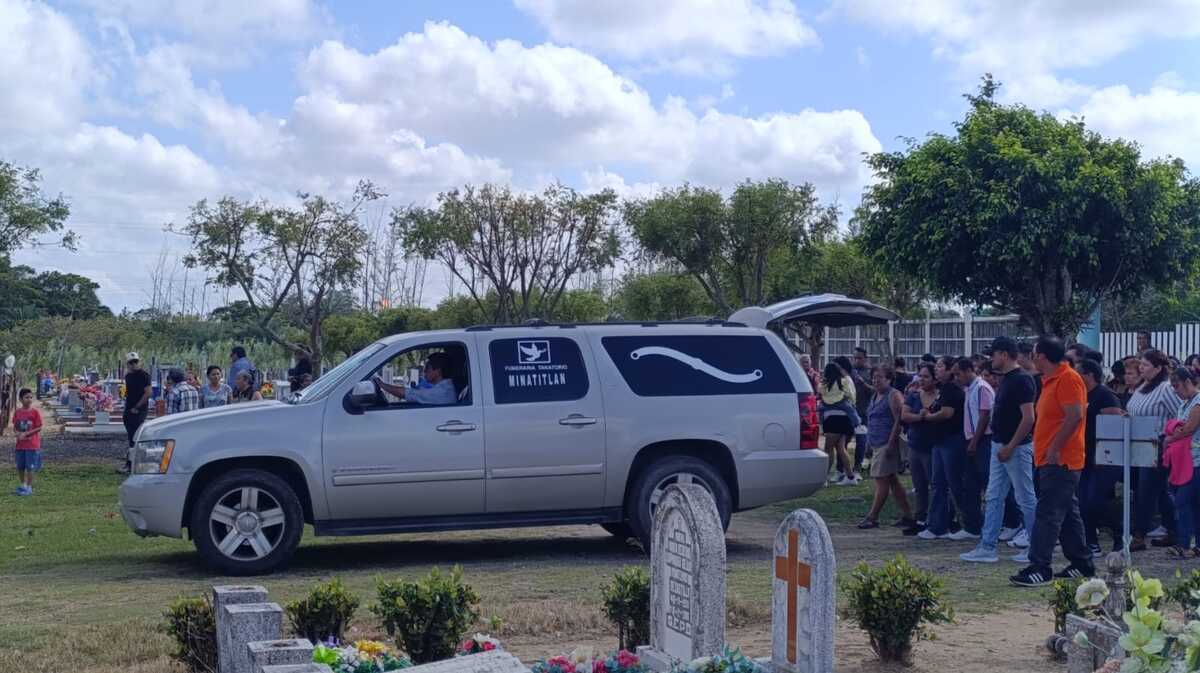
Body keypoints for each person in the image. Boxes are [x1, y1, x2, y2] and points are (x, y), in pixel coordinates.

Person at [1011, 336, 1094, 586]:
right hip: (1049, 457)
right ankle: (1082, 562)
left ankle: (1040, 566)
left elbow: (1075, 416)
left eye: (1034, 354)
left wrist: (1056, 447)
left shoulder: (1068, 378)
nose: (1032, 358)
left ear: (1043, 357)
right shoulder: (1049, 380)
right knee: (1068, 512)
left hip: (1061, 459)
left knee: (1048, 512)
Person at [962, 336, 1039, 564]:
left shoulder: (1022, 380)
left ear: (1004, 354)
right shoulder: (1006, 379)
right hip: (1000, 444)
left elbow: (1029, 418)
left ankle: (1036, 547)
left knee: (1026, 498)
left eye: (993, 354)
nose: (991, 359)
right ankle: (987, 546)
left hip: (1015, 447)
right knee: (994, 496)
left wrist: (1012, 446)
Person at [920, 356, 979, 541]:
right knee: (938, 484)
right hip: (939, 442)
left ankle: (972, 524)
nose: (936, 370)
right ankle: (938, 526)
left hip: (951, 441)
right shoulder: (942, 389)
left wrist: (927, 417)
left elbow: (947, 413)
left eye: (939, 366)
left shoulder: (952, 389)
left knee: (956, 484)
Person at [1128, 349, 1181, 552]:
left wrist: (1170, 435)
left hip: (1157, 443)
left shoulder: (1166, 388)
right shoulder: (1143, 386)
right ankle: (1175, 529)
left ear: (1158, 368)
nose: (1141, 368)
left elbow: (1180, 412)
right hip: (1140, 443)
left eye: (1145, 365)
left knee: (1146, 490)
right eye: (1140, 364)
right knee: (1158, 491)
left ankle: (1139, 535)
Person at [1076, 358, 1125, 556]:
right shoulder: (1081, 394)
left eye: (1079, 372)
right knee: (1082, 501)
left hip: (1104, 458)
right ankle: (1091, 543)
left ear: (1089, 375)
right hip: (1085, 456)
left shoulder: (1105, 396)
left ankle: (1120, 534)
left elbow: (1114, 427)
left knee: (1096, 500)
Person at [858, 366, 916, 529]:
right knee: (892, 480)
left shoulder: (893, 395)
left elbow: (899, 420)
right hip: (876, 442)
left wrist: (891, 443)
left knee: (881, 480)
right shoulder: (875, 395)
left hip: (887, 443)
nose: (876, 380)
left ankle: (872, 516)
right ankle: (908, 515)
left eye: (880, 377)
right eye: (874, 377)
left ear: (889, 379)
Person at [1164, 368, 1200, 557]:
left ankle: (1184, 542)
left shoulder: (1197, 402)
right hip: (1186, 460)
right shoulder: (1184, 404)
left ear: (1187, 382)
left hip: (1196, 460)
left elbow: (1189, 428)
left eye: (1176, 385)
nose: (1175, 390)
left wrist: (1171, 437)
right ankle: (1193, 544)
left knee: (1183, 501)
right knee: (1193, 503)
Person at [956, 357, 993, 537]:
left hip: (982, 440)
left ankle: (1008, 522)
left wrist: (975, 441)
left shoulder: (981, 388)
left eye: (959, 373)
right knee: (970, 484)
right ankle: (972, 526)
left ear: (969, 370)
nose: (958, 377)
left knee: (988, 482)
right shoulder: (969, 389)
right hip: (971, 439)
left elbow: (984, 415)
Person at [901, 363, 940, 532]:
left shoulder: (940, 396)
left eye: (926, 376)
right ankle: (920, 517)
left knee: (935, 483)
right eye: (920, 376)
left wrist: (929, 417)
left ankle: (936, 517)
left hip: (932, 446)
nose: (922, 380)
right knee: (919, 484)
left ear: (934, 378)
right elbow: (905, 415)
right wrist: (920, 417)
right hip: (915, 445)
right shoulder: (914, 396)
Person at [373, 352, 458, 406]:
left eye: (427, 368)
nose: (424, 372)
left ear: (438, 371)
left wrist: (382, 385)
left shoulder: (441, 392)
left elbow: (407, 393)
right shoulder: (443, 388)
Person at [121, 352, 152, 473]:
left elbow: (148, 392)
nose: (133, 364)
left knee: (136, 438)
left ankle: (132, 464)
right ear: (127, 364)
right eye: (131, 362)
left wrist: (137, 407)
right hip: (128, 409)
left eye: (135, 362)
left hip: (139, 410)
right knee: (131, 438)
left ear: (139, 362)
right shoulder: (128, 376)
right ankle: (131, 463)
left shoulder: (144, 375)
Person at [11, 388, 42, 496]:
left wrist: (27, 434)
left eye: (30, 397)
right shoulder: (18, 412)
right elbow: (15, 426)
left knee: (30, 467)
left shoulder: (35, 412)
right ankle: (23, 485)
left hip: (32, 445)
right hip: (20, 445)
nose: (29, 399)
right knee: (20, 466)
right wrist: (17, 433)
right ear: (20, 399)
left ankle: (29, 487)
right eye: (26, 397)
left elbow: (39, 427)